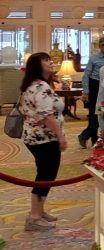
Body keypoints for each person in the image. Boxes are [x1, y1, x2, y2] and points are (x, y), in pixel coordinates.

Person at [19, 52, 66, 231]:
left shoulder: (36, 84)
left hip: (36, 137)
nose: (50, 62)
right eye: (45, 60)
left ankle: (39, 210)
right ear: (37, 66)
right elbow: (46, 115)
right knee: (46, 176)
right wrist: (60, 137)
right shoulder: (40, 86)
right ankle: (34, 216)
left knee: (45, 174)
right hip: (44, 139)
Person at [78, 36, 104, 149]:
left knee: (103, 113)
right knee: (94, 114)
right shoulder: (94, 58)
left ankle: (94, 139)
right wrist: (86, 91)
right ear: (100, 46)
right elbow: (86, 75)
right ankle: (84, 136)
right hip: (94, 86)